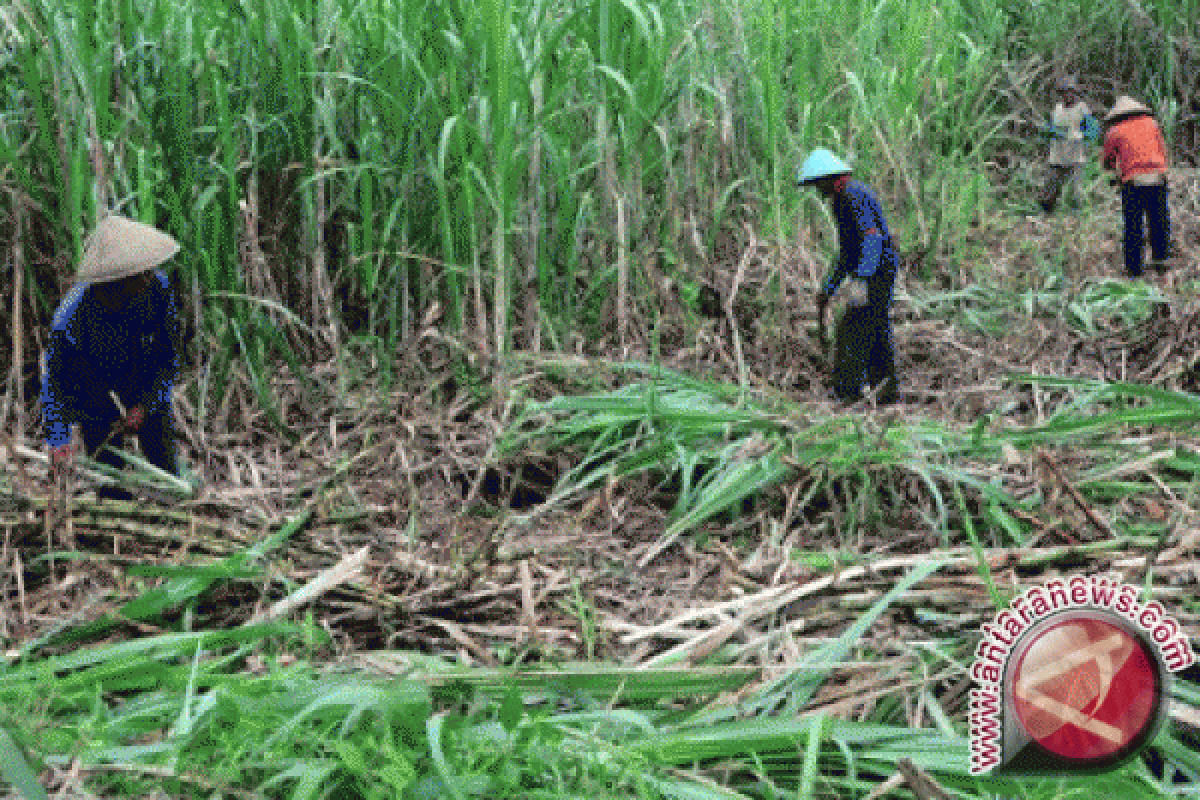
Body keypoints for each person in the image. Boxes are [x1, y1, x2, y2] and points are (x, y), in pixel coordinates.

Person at [42, 214, 183, 495]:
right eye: (138, 275)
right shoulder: (69, 320)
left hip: (143, 387)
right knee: (110, 484)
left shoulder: (157, 289)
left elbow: (168, 357)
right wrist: (59, 441)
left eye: (147, 272)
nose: (147, 279)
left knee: (169, 478)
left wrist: (145, 403)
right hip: (96, 400)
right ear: (114, 281)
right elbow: (55, 386)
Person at [798, 149, 898, 405]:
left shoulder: (854, 196)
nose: (817, 191)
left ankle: (848, 393)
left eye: (818, 184)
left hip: (877, 272)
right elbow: (847, 251)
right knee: (875, 328)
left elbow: (872, 238)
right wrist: (829, 286)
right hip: (872, 270)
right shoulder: (841, 199)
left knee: (852, 329)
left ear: (830, 178)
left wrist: (863, 279)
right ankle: (886, 393)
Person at [1101, 95, 1171, 277]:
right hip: (1157, 177)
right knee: (1159, 220)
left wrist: (1115, 172)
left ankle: (1134, 269)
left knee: (1133, 225)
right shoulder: (1152, 124)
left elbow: (1107, 161)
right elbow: (1162, 151)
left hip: (1134, 180)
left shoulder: (1115, 131)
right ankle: (1161, 260)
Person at [1040, 76, 1098, 212]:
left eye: (1071, 92)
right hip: (1057, 154)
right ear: (1062, 94)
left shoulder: (1082, 109)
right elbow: (1048, 129)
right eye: (1066, 92)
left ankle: (1078, 216)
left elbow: (1093, 131)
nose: (1069, 95)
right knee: (1050, 187)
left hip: (1075, 155)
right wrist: (1051, 132)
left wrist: (1080, 136)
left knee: (1076, 190)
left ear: (1075, 94)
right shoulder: (1057, 109)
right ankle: (1047, 212)